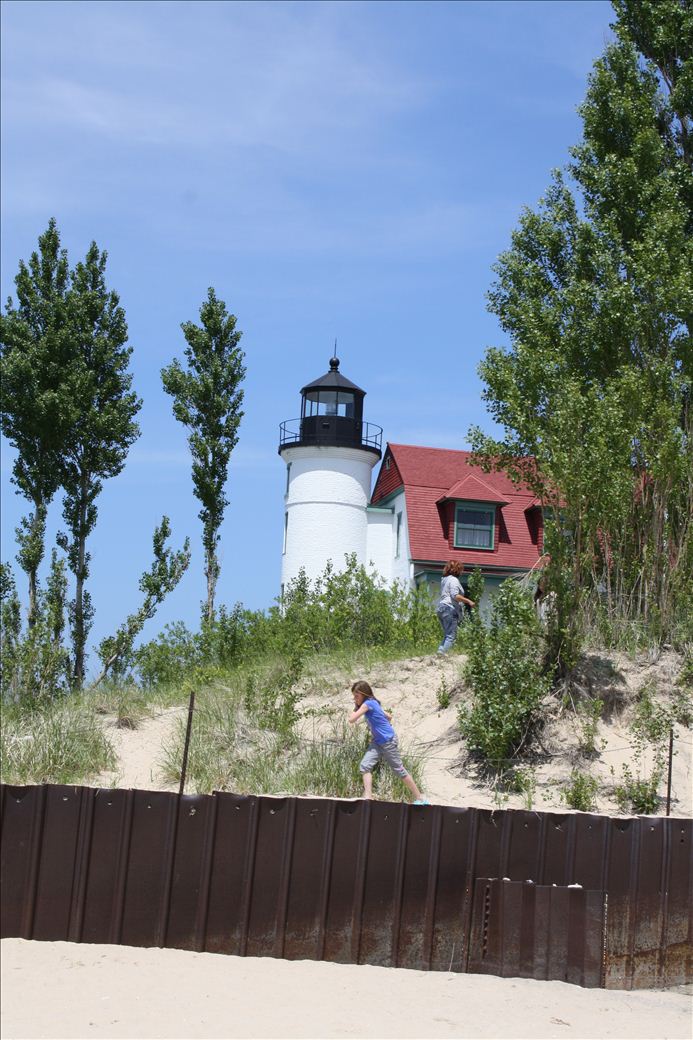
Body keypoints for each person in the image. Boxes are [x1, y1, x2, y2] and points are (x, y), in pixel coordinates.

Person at [348, 680, 428, 804]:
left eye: (356, 696)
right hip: (377, 742)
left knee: (399, 770)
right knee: (365, 766)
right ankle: (368, 798)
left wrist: (355, 708)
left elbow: (352, 719)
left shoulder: (367, 704)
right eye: (354, 696)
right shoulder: (374, 703)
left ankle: (420, 798)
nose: (355, 699)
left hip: (388, 741)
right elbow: (389, 716)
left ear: (364, 694)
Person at [436, 560, 475, 654]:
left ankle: (439, 653)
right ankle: (442, 655)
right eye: (461, 569)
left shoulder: (444, 580)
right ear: (456, 569)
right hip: (449, 608)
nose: (462, 572)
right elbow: (455, 596)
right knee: (451, 636)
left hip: (441, 607)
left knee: (447, 634)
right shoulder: (454, 580)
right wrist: (469, 601)